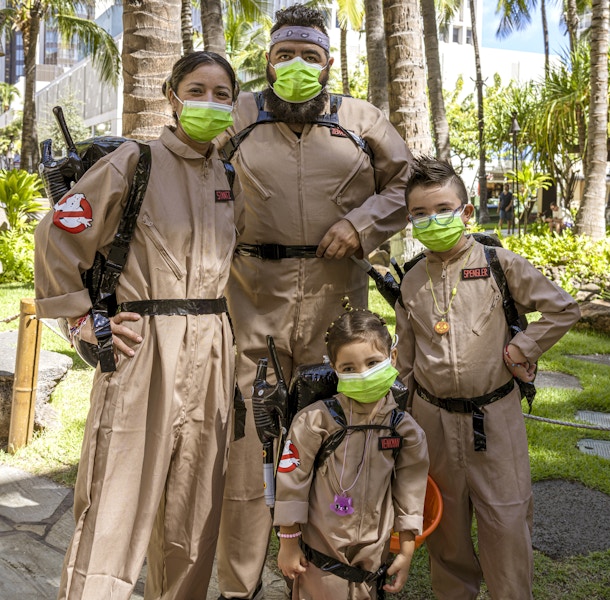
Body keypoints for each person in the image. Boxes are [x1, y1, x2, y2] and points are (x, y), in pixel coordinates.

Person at [215, 5, 413, 599]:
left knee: (336, 441)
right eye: (284, 55)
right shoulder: (238, 114)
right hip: (252, 298)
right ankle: (239, 585)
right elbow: (189, 164)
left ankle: (331, 580)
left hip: (338, 306)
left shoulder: (361, 118)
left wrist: (363, 223)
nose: (296, 66)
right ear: (268, 60)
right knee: (249, 450)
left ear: (328, 63)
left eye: (309, 56)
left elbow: (410, 183)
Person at [34, 51, 242, 600]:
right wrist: (81, 318)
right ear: (172, 98)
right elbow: (59, 230)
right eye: (197, 90)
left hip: (214, 350)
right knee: (114, 508)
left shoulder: (228, 176)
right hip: (142, 344)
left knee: (194, 517)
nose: (210, 103)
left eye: (223, 95)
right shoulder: (135, 160)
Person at [395, 156, 580, 600]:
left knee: (507, 524)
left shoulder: (500, 263)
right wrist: (394, 418)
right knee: (447, 533)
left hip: (495, 418)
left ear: (466, 212)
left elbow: (563, 308)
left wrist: (523, 348)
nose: (431, 220)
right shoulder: (411, 280)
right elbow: (404, 359)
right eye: (419, 214)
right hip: (432, 421)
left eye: (442, 209)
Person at [273, 300, 429, 599]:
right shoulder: (316, 421)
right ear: (335, 369)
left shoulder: (405, 430)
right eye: (349, 368)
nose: (364, 374)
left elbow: (410, 492)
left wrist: (406, 550)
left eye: (373, 363)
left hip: (373, 560)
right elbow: (292, 484)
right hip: (320, 558)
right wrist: (289, 543)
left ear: (392, 357)